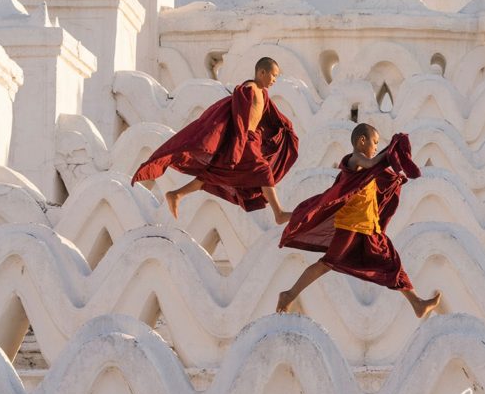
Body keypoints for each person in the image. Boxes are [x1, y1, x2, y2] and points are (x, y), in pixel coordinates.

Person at [276, 123, 442, 318]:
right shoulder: (356, 159)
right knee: (326, 264)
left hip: (369, 228)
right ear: (362, 141)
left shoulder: (365, 165)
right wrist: (389, 153)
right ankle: (289, 295)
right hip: (351, 227)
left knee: (391, 262)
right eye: (375, 143)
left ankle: (417, 303)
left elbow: (378, 175)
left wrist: (393, 159)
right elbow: (373, 164)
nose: (376, 148)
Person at [132, 56, 299, 224]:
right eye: (273, 75)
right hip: (243, 141)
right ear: (262, 72)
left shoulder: (263, 94)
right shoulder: (249, 89)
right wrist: (237, 144)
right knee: (262, 170)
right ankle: (279, 213)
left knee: (214, 174)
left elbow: (272, 116)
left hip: (253, 140)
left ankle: (177, 194)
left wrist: (286, 126)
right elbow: (238, 118)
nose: (275, 80)